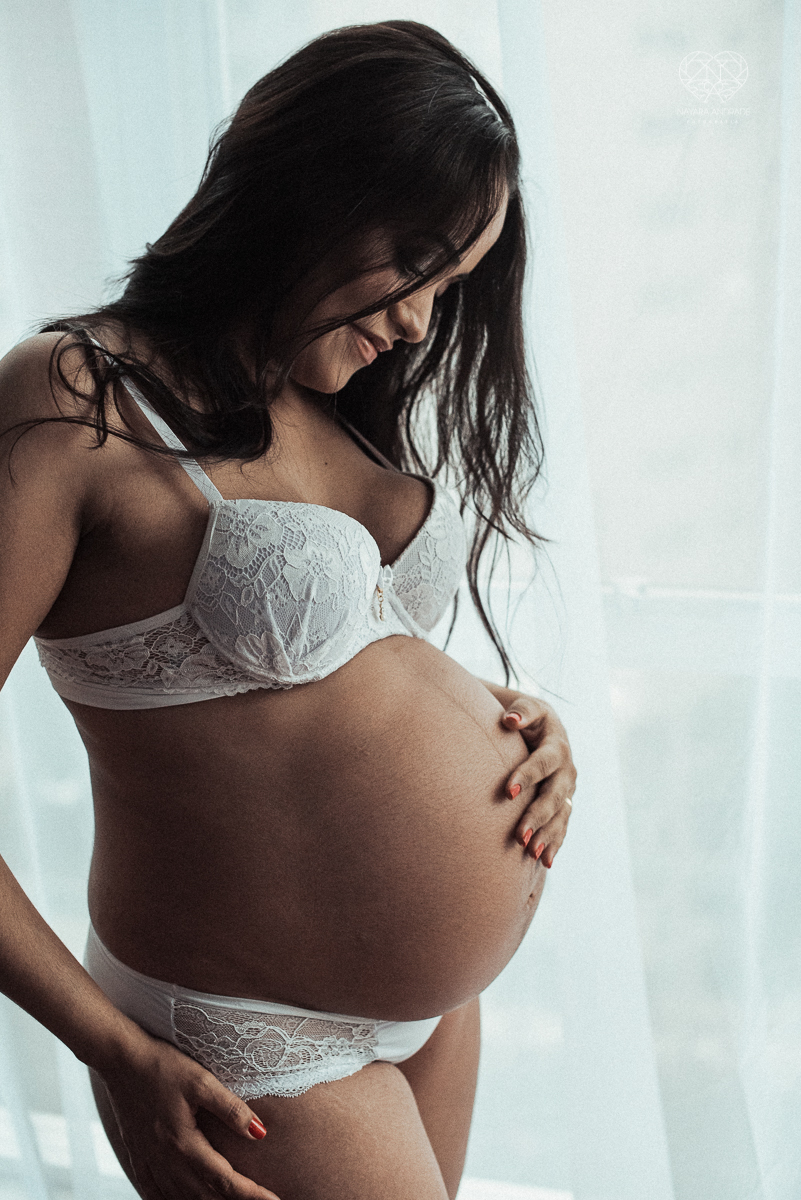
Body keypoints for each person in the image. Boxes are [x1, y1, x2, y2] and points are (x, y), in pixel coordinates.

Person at [0, 19, 576, 1200]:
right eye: (414, 258)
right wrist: (115, 1054)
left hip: (434, 1015)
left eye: (451, 286)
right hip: (245, 1036)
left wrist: (526, 731)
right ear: (305, 180)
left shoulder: (335, 406)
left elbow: (355, 683)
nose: (421, 320)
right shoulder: (72, 399)